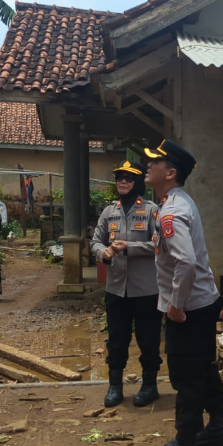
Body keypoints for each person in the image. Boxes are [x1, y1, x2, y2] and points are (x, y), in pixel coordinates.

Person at [142, 139, 223, 446]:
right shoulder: (174, 203)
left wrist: (176, 305)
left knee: (186, 375)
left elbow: (186, 262)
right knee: (202, 367)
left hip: (188, 309)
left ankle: (185, 441)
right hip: (199, 303)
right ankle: (220, 426)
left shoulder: (172, 211)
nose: (148, 166)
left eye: (155, 162)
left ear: (170, 172)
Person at [90, 160, 162, 408]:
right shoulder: (109, 211)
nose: (123, 181)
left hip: (146, 290)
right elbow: (96, 241)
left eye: (128, 178)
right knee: (117, 339)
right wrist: (103, 253)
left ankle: (150, 385)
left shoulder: (152, 211)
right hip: (116, 289)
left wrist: (129, 247)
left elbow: (159, 245)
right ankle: (115, 386)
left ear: (138, 183)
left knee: (148, 338)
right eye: (120, 177)